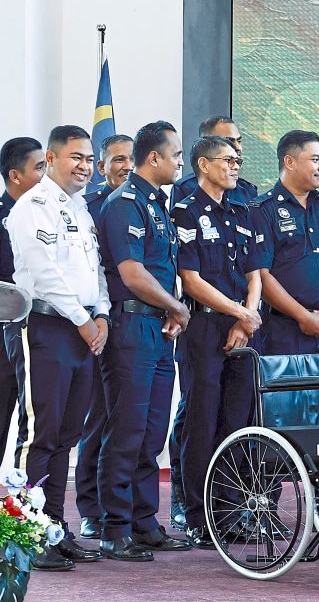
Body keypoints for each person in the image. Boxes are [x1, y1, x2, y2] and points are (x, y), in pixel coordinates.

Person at [8, 126, 108, 571]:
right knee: (40, 435)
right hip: (45, 327)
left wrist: (101, 313)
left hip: (83, 329)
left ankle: (53, 528)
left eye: (89, 158)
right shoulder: (32, 207)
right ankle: (25, 538)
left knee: (67, 435)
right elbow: (45, 274)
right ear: (50, 158)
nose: (84, 166)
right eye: (75, 157)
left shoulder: (81, 209)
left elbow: (96, 271)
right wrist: (85, 320)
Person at [96, 120, 191, 559]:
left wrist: (170, 309)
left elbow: (163, 271)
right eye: (175, 155)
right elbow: (133, 274)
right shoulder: (125, 203)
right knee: (127, 429)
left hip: (156, 329)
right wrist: (176, 307)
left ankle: (144, 520)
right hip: (130, 329)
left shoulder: (156, 204)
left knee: (151, 432)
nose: (180, 163)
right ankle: (114, 527)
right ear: (154, 158)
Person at [171, 135, 263, 549]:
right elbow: (191, 280)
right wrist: (238, 313)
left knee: (236, 424)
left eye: (237, 159)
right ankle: (197, 516)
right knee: (202, 423)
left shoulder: (241, 212)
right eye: (227, 159)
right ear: (203, 166)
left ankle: (229, 512)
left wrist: (246, 318)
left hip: (240, 330)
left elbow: (254, 273)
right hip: (203, 329)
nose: (235, 165)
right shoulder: (186, 211)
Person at [77, 133, 133, 540]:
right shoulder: (91, 208)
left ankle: (124, 508)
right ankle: (89, 507)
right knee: (98, 417)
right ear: (102, 167)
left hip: (130, 325)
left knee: (127, 420)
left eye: (131, 159)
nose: (126, 166)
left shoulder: (146, 206)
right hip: (96, 325)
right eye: (117, 160)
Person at [250, 130, 319, 356]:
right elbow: (261, 275)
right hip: (284, 330)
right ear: (289, 162)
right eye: (315, 160)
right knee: (285, 392)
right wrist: (302, 316)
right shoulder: (262, 209)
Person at [0, 137, 45, 462]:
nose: (46, 174)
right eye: (40, 167)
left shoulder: (44, 217)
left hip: (39, 333)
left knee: (37, 422)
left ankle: (26, 504)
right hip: (4, 336)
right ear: (16, 176)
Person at [171, 116, 258, 205]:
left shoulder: (247, 190)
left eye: (239, 141)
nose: (237, 147)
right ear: (207, 142)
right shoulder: (185, 188)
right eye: (228, 141)